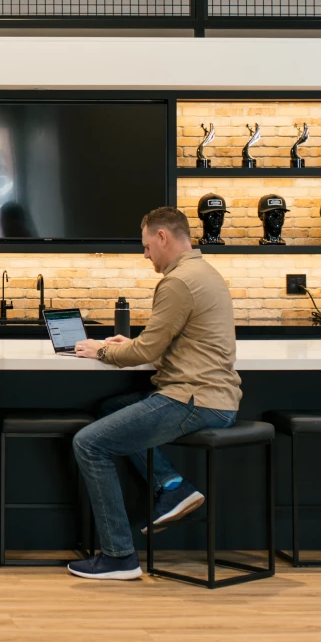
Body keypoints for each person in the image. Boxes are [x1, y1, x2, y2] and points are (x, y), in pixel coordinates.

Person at [65, 207, 241, 581]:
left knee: (89, 444)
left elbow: (145, 354)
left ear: (162, 237)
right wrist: (130, 342)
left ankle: (118, 556)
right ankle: (172, 487)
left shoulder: (177, 282)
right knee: (112, 408)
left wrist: (103, 351)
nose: (145, 255)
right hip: (214, 397)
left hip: (192, 400)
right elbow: (166, 341)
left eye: (146, 246)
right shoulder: (204, 272)